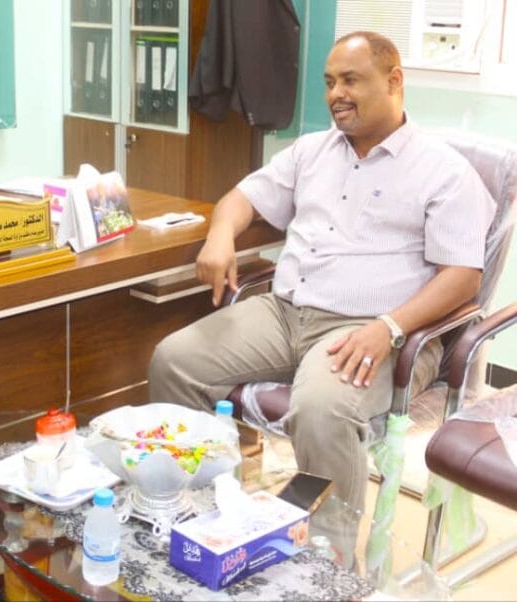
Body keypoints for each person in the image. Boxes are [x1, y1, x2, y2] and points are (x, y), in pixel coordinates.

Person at [149, 31, 496, 518]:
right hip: (284, 313)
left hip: (375, 330)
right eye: (330, 82)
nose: (336, 94)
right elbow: (240, 198)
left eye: (351, 80)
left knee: (320, 409)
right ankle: (203, 513)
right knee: (173, 361)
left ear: (394, 81)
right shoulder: (311, 151)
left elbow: (462, 278)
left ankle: (328, 557)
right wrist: (220, 235)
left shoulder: (444, 171)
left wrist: (388, 328)